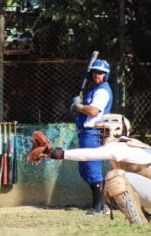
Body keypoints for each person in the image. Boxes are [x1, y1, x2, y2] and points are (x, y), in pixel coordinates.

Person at [27, 113, 151, 224]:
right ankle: (147, 218)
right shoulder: (129, 144)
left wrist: (55, 153)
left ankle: (139, 223)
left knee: (115, 178)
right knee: (119, 179)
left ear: (117, 130)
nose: (100, 136)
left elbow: (89, 155)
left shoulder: (120, 146)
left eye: (104, 131)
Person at [70, 59, 113, 216]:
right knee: (85, 170)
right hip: (86, 133)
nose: (97, 75)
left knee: (92, 169)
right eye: (95, 72)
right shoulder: (94, 89)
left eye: (100, 73)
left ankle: (98, 207)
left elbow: (93, 111)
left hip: (94, 133)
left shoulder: (102, 90)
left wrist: (77, 106)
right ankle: (102, 205)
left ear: (106, 75)